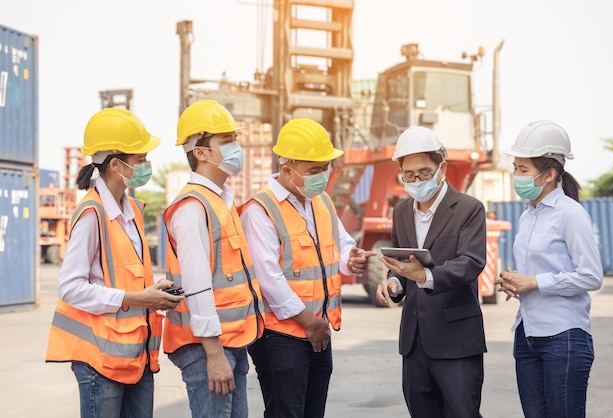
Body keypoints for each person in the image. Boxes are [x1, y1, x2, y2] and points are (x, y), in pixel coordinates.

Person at [45, 108, 184, 418]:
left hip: (135, 356)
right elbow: (70, 288)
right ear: (116, 165)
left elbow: (123, 278)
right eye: (141, 160)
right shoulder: (91, 214)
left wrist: (153, 290)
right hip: (100, 360)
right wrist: (137, 298)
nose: (147, 166)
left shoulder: (132, 210)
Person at [240, 117, 376, 418]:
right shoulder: (260, 210)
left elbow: (341, 245)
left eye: (325, 168)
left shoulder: (321, 201)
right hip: (281, 336)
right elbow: (268, 279)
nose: (323, 176)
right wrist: (309, 322)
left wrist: (351, 259)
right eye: (314, 170)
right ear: (287, 170)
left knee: (313, 411)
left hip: (317, 328)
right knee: (286, 412)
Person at [375, 125, 487, 418]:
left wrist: (425, 276)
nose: (416, 180)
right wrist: (394, 284)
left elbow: (471, 262)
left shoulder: (468, 209)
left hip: (456, 341)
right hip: (414, 343)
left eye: (424, 173)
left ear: (442, 168)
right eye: (409, 175)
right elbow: (401, 266)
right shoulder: (400, 212)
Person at [162, 99, 265, 418]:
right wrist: (213, 353)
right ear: (201, 152)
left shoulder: (219, 201)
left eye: (235, 139)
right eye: (226, 141)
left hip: (229, 341)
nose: (237, 147)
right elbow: (197, 287)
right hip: (205, 347)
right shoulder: (193, 208)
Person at [496, 120, 603, 417]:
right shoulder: (527, 215)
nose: (516, 175)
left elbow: (591, 276)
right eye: (515, 168)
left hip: (563, 336)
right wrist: (516, 283)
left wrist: (533, 282)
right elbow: (538, 275)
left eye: (523, 170)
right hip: (527, 333)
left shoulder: (571, 214)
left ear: (550, 174)